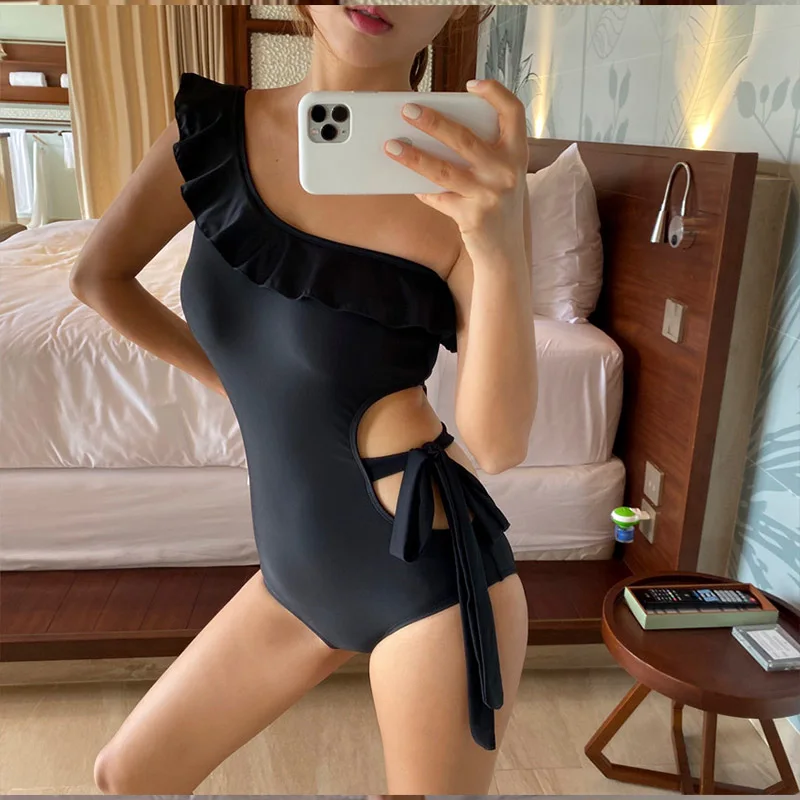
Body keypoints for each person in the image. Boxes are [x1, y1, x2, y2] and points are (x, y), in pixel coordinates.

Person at [70, 4, 538, 794]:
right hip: (296, 573)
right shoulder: (212, 129)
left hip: (429, 577)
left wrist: (497, 248)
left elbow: (500, 444)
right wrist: (238, 387)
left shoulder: (467, 182)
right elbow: (98, 278)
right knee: (127, 777)